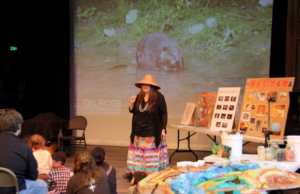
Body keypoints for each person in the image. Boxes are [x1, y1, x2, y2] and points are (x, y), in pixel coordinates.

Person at [123, 75, 169, 181]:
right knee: (138, 156)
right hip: (138, 131)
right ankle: (137, 175)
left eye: (147, 84)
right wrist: (131, 103)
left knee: (150, 156)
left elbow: (164, 114)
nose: (145, 86)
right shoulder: (139, 96)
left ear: (152, 86)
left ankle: (152, 175)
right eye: (143, 84)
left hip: (152, 132)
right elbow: (132, 110)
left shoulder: (159, 97)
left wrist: (163, 129)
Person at [0, 110, 48, 194]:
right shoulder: (24, 147)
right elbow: (33, 176)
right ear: (19, 126)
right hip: (14, 190)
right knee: (43, 185)